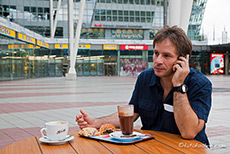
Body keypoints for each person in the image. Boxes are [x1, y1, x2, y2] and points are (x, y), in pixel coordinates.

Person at [76, 25, 212, 146]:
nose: (158, 61)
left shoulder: (200, 84)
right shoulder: (145, 78)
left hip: (188, 150)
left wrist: (178, 86)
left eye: (166, 56)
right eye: (156, 53)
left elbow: (189, 132)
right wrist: (96, 123)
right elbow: (132, 113)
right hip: (153, 147)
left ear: (182, 60)